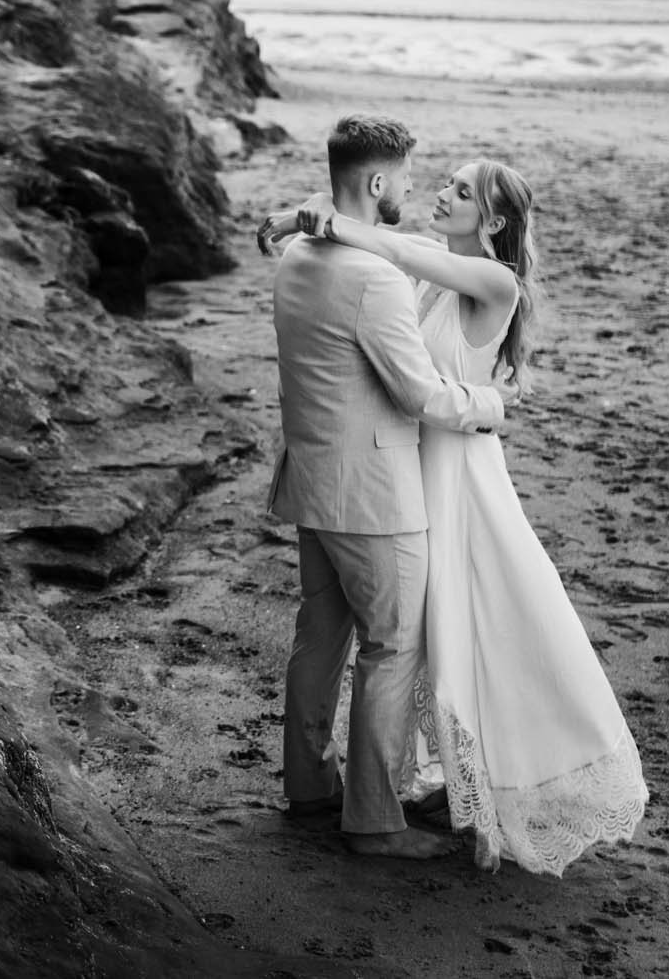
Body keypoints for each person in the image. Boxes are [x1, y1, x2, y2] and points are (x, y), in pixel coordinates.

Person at [261, 148, 650, 876]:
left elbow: (393, 244)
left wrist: (314, 219)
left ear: (493, 220)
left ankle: (500, 771)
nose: (443, 194)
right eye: (445, 183)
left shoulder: (492, 279)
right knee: (430, 630)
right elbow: (396, 253)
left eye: (461, 191)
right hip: (413, 468)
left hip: (459, 474)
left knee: (483, 623)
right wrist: (312, 223)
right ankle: (430, 784)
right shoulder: (432, 269)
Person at [259, 115, 511, 861]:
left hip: (310, 481)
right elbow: (422, 398)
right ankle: (373, 821)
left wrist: (299, 212)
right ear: (376, 183)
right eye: (404, 176)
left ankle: (309, 790)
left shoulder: (301, 254)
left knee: (320, 641)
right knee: (391, 648)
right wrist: (494, 405)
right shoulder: (374, 278)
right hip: (371, 496)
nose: (413, 188)